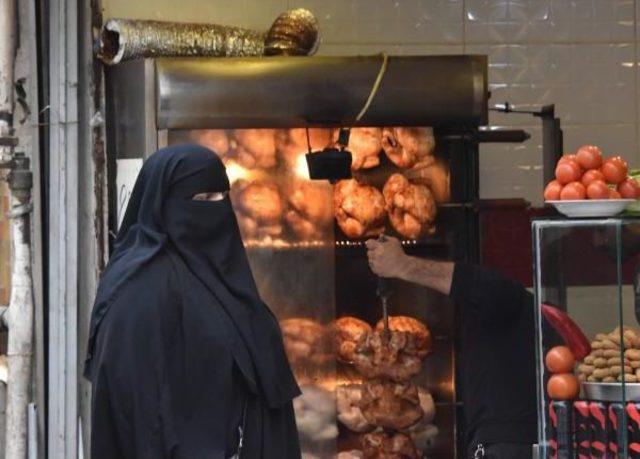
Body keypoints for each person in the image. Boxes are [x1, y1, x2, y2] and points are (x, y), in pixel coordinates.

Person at [84, 145, 301, 459]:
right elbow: (130, 412)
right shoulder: (137, 291)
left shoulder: (227, 282)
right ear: (162, 203)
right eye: (200, 200)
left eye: (221, 197)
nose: (216, 209)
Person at [366, 236, 537, 459]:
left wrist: (402, 265)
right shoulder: (528, 312)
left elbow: (471, 282)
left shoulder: (508, 295)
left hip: (505, 444)